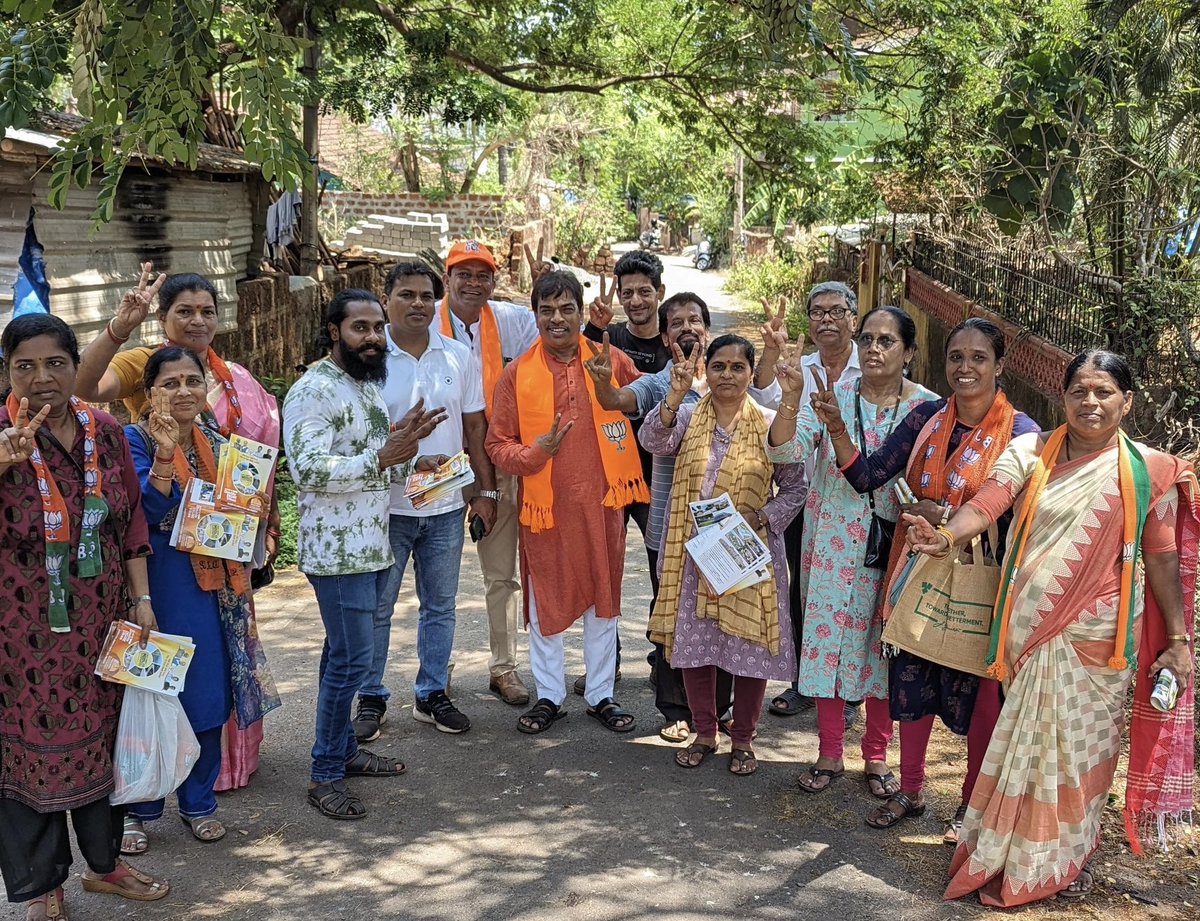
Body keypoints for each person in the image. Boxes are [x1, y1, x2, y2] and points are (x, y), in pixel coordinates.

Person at [904, 350, 1197, 907]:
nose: (1091, 402)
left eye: (1104, 391)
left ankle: (1065, 857)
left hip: (1101, 643)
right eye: (1079, 391)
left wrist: (1179, 641)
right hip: (1029, 632)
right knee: (1027, 744)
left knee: (1083, 758)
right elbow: (989, 501)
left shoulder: (1151, 471)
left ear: (1127, 401)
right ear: (1062, 398)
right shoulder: (1030, 451)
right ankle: (1009, 852)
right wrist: (948, 535)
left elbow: (1160, 558)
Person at [817, 318, 1039, 834]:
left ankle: (969, 806)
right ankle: (912, 792)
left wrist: (946, 515)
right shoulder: (926, 418)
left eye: (978, 357)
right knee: (912, 686)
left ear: (999, 365)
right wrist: (834, 426)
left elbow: (1023, 506)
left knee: (980, 696)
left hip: (981, 583)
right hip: (917, 573)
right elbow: (869, 476)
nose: (965, 367)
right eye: (956, 356)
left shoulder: (1022, 433)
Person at [74, 265, 283, 793]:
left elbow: (253, 471)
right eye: (183, 311)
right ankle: (144, 800)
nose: (197, 320)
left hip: (220, 563)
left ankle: (207, 788)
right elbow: (82, 389)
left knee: (211, 679)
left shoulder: (229, 380)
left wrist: (263, 523)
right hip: (159, 564)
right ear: (162, 318)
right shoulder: (140, 378)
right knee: (153, 679)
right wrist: (122, 326)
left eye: (207, 310)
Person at [0, 314, 168, 920]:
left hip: (101, 623)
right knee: (28, 755)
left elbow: (132, 525)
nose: (42, 378)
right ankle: (41, 886)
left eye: (55, 363)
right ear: (7, 371)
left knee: (106, 742)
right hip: (20, 634)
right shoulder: (0, 433)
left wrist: (143, 599)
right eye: (25, 366)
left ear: (76, 366)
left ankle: (106, 866)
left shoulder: (105, 430)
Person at [282, 289, 446, 820]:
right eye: (360, 328)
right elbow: (308, 469)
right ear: (334, 331)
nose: (373, 337)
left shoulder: (366, 387)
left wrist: (409, 461)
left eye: (378, 327)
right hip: (336, 552)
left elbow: (374, 462)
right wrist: (384, 454)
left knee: (342, 656)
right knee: (352, 661)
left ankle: (344, 752)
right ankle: (324, 772)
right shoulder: (313, 391)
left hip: (371, 543)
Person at [767, 306, 938, 797]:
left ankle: (877, 755)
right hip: (831, 543)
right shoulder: (833, 396)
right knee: (826, 642)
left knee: (882, 646)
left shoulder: (926, 408)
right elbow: (785, 451)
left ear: (908, 352)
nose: (875, 348)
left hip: (897, 547)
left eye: (888, 340)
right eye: (868, 338)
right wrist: (791, 397)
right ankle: (829, 751)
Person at [122, 348, 281, 853]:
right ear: (149, 394)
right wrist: (166, 455)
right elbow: (144, 508)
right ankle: (139, 807)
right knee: (149, 691)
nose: (184, 391)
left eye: (193, 380)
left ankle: (198, 801)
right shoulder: (132, 440)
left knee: (208, 696)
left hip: (213, 592)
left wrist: (257, 525)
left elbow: (243, 512)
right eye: (170, 383)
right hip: (157, 583)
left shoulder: (220, 443)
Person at [485, 270, 648, 735]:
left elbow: (648, 399)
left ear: (580, 313)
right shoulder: (516, 375)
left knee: (604, 599)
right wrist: (537, 453)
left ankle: (600, 694)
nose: (557, 319)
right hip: (546, 510)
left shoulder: (609, 359)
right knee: (545, 599)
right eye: (547, 310)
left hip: (602, 505)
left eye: (566, 309)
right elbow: (498, 445)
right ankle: (549, 695)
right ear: (534, 314)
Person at [640, 334, 803, 775]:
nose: (727, 375)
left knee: (746, 647)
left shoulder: (771, 422)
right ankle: (705, 732)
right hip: (695, 556)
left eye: (737, 367)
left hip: (747, 555)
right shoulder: (689, 416)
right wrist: (673, 395)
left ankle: (745, 739)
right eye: (719, 367)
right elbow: (653, 439)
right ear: (705, 371)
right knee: (697, 648)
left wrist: (764, 516)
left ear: (752, 374)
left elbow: (796, 484)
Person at [353, 263, 494, 741]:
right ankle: (370, 696)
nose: (418, 303)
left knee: (441, 605)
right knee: (378, 607)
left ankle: (432, 692)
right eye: (406, 294)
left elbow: (475, 428)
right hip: (385, 508)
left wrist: (484, 492)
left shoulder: (458, 356)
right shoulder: (369, 360)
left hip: (447, 505)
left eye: (426, 296)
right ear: (386, 298)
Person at [755, 282, 862, 720]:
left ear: (853, 318)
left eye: (837, 311)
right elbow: (761, 396)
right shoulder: (798, 364)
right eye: (817, 312)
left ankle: (850, 688)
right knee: (799, 588)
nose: (827, 320)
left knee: (853, 595)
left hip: (855, 499)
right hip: (805, 497)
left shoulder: (870, 365)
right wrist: (768, 351)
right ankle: (804, 682)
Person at [438, 240, 537, 707]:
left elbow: (550, 355)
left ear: (494, 281)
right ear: (448, 278)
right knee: (434, 575)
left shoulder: (513, 321)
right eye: (465, 274)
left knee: (500, 574)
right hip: (437, 466)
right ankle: (435, 669)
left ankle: (503, 667)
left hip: (495, 463)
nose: (473, 284)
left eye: (483, 276)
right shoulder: (422, 324)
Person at [573, 249, 672, 694]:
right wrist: (594, 326)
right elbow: (576, 369)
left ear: (660, 294)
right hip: (608, 476)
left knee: (662, 572)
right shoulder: (605, 336)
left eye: (644, 291)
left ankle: (663, 660)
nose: (635, 300)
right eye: (627, 291)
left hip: (657, 477)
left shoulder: (673, 343)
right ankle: (603, 665)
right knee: (603, 572)